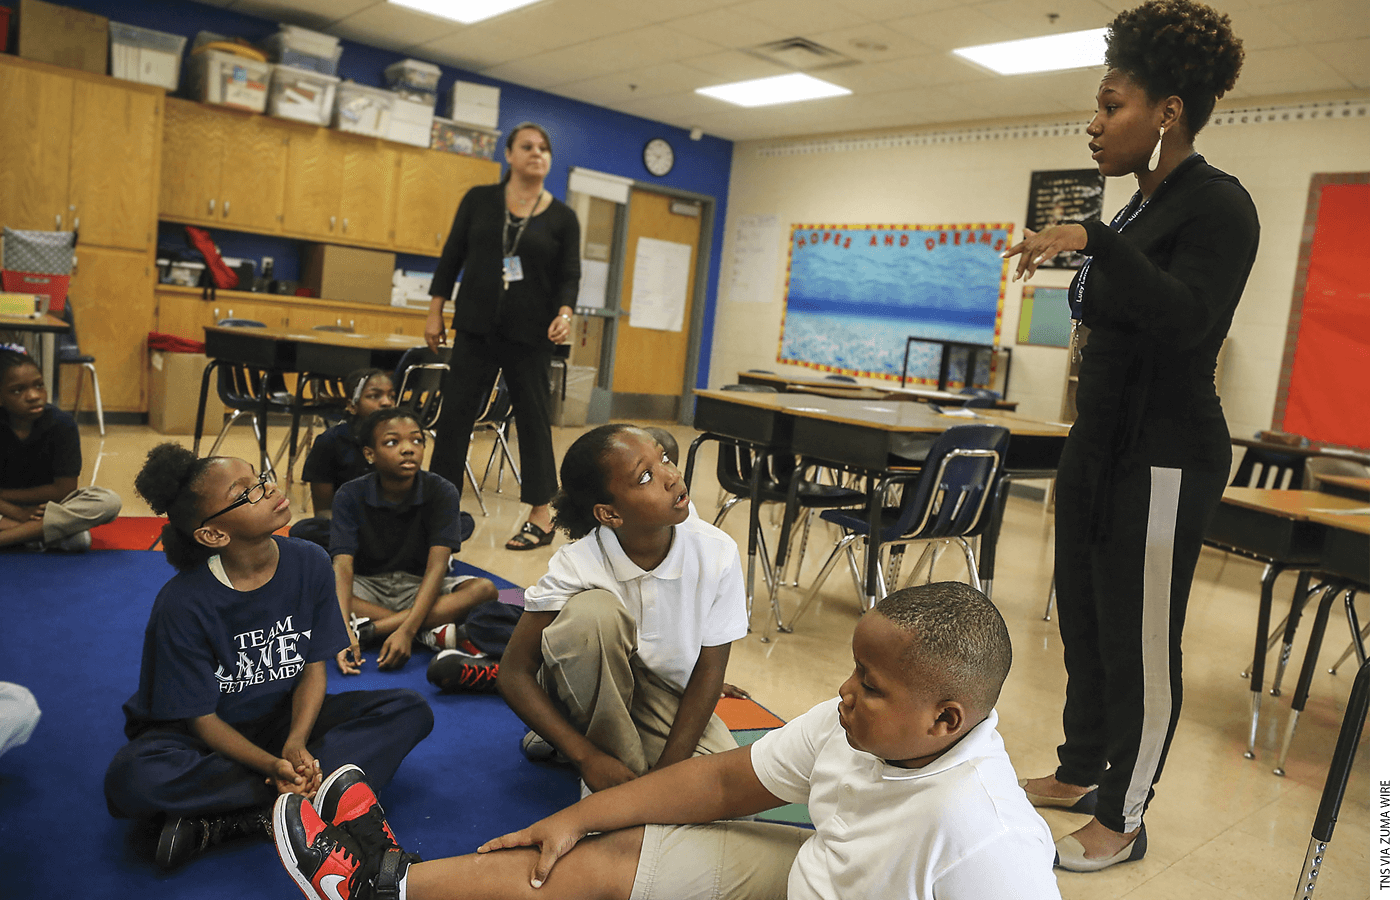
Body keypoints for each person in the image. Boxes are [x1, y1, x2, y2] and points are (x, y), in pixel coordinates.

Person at [272, 582, 1063, 900]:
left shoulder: (987, 837)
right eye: (854, 670)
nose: (844, 692)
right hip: (818, 879)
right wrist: (583, 815)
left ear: (947, 722)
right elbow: (723, 785)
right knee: (606, 850)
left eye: (871, 684)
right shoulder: (857, 726)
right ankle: (385, 884)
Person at [1002, 0, 1257, 873]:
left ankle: (1125, 815)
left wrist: (1097, 243)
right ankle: (1079, 771)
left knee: (1143, 641)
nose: (1095, 122)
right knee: (1086, 619)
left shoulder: (1218, 207)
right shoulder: (1140, 212)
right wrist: (1102, 242)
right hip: (1098, 444)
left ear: (1168, 113)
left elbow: (1188, 321)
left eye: (1113, 106)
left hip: (1167, 455)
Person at [104, 443, 433, 870]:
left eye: (260, 478)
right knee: (132, 778)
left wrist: (295, 741)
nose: (269, 489)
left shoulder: (310, 561)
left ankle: (237, 818)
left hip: (280, 720)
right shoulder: (182, 603)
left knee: (408, 709)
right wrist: (272, 765)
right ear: (214, 534)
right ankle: (300, 796)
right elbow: (200, 719)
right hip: (200, 737)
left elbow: (313, 668)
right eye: (247, 492)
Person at [444, 424, 746, 793]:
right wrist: (588, 757)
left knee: (721, 787)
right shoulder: (580, 562)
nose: (671, 476)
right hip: (583, 686)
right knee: (586, 613)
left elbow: (710, 670)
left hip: (662, 696)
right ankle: (601, 770)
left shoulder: (718, 553)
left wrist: (670, 771)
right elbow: (514, 673)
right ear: (609, 514)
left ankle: (558, 743)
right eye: (646, 476)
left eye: (664, 459)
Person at [423, 121, 581, 552]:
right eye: (527, 146)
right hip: (474, 324)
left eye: (545, 148)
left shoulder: (563, 217)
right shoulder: (479, 200)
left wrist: (564, 313)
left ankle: (541, 514)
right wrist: (435, 310)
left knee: (532, 419)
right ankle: (441, 509)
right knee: (455, 415)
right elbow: (452, 255)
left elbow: (569, 275)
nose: (537, 153)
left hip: (531, 332)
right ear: (508, 154)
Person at [330, 407, 499, 675]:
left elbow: (437, 568)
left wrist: (406, 632)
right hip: (367, 587)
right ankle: (430, 630)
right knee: (321, 589)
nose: (408, 449)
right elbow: (343, 567)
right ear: (369, 454)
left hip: (420, 587)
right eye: (392, 442)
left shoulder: (442, 490)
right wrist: (340, 632)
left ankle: (371, 630)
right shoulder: (350, 494)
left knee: (485, 590)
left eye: (417, 440)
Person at [0, 345, 120, 551]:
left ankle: (12, 536)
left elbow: (63, 489)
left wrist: (3, 494)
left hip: (50, 507)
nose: (33, 396)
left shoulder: (62, 424)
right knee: (77, 540)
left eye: (39, 386)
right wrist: (17, 512)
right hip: (5, 509)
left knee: (109, 501)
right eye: (18, 390)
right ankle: (52, 533)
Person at [287, 368, 396, 549]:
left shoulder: (398, 439)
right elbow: (323, 511)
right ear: (352, 405)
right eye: (374, 396)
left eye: (391, 396)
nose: (386, 402)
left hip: (390, 524)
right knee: (305, 530)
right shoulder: (329, 442)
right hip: (348, 526)